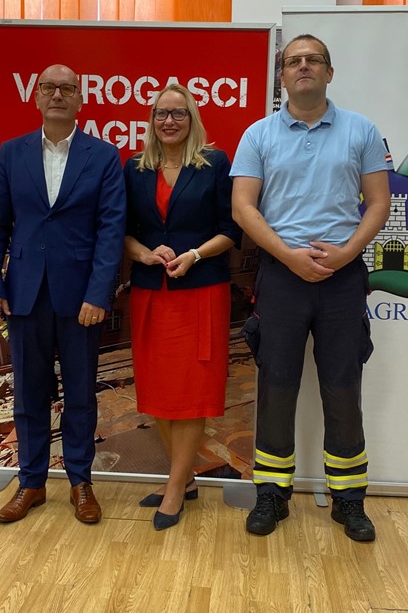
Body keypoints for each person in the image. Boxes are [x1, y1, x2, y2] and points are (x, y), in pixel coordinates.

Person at [230, 34, 392, 542]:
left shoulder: (361, 130)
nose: (303, 67)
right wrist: (287, 256)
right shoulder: (258, 134)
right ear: (281, 76)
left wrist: (345, 254)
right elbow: (243, 207)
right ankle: (271, 494)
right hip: (281, 276)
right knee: (276, 387)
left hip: (342, 277)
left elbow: (379, 203)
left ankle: (348, 500)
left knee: (343, 388)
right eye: (293, 61)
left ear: (329, 72)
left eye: (313, 60)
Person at [0, 63, 126, 525]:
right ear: (37, 97)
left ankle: (81, 482)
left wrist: (98, 293)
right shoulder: (12, 153)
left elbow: (110, 230)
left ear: (81, 98)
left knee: (81, 394)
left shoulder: (103, 156)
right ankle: (31, 483)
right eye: (49, 87)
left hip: (81, 298)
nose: (57, 95)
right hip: (24, 295)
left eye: (67, 88)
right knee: (28, 395)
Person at [123, 84, 241, 531]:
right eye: (161, 113)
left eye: (178, 113)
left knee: (191, 391)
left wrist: (194, 254)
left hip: (200, 291)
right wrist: (144, 253)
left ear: (192, 119)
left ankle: (175, 488)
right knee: (157, 389)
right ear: (151, 120)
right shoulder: (135, 168)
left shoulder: (214, 164)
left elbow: (231, 229)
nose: (168, 121)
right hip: (150, 292)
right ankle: (185, 477)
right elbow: (122, 230)